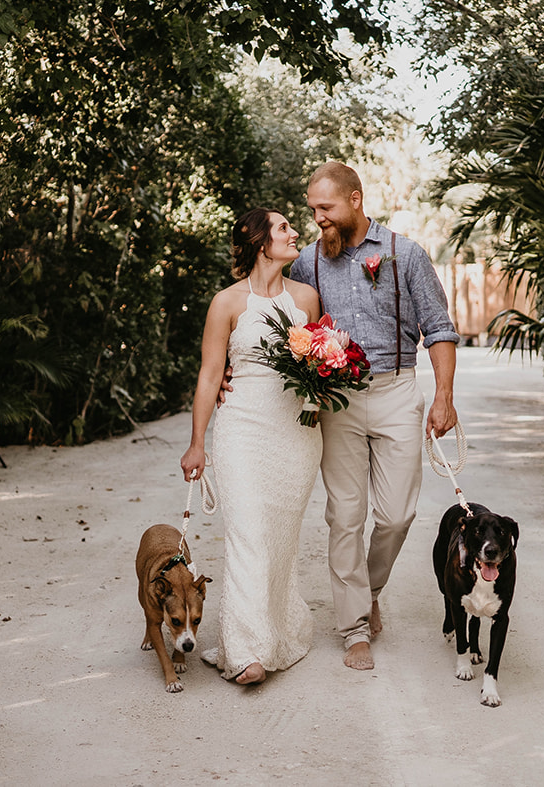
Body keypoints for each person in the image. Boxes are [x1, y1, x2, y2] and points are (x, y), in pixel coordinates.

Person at [290, 161, 460, 671]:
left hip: (396, 389)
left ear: (355, 200)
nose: (318, 219)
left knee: (397, 514)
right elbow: (280, 326)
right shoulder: (305, 264)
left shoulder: (403, 254)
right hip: (335, 399)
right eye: (312, 210)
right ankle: (354, 626)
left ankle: (370, 589)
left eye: (326, 209)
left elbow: (439, 327)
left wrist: (443, 396)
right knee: (345, 515)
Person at [180, 207, 323, 685]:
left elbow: (321, 365)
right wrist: (197, 443)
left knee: (279, 540)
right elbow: (208, 375)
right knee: (247, 536)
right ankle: (247, 652)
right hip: (242, 431)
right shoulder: (226, 303)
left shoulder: (307, 298)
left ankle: (276, 630)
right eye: (284, 227)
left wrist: (324, 391)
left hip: (296, 436)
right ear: (262, 242)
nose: (294, 231)